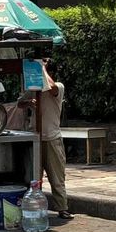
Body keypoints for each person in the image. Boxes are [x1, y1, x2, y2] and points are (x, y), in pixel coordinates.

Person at [25, 60, 73, 220]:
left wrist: (41, 68)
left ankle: (62, 208)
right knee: (34, 177)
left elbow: (51, 88)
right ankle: (35, 206)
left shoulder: (58, 86)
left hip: (52, 137)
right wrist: (28, 102)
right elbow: (19, 103)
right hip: (35, 138)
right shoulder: (33, 89)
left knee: (56, 176)